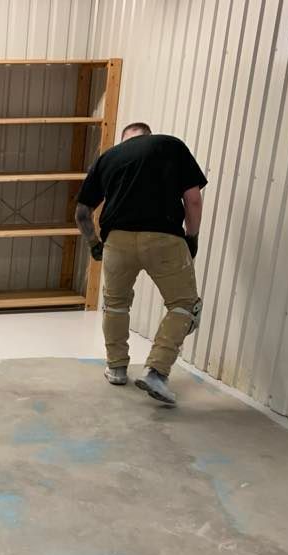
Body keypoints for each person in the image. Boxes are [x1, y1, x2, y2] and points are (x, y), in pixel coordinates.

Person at [75, 122, 207, 406]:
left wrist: (95, 245)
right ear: (148, 136)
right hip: (164, 237)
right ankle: (157, 371)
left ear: (125, 140)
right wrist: (191, 238)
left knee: (116, 303)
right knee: (185, 305)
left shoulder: (108, 157)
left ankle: (117, 368)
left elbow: (82, 213)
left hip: (117, 241)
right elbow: (193, 200)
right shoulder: (170, 145)